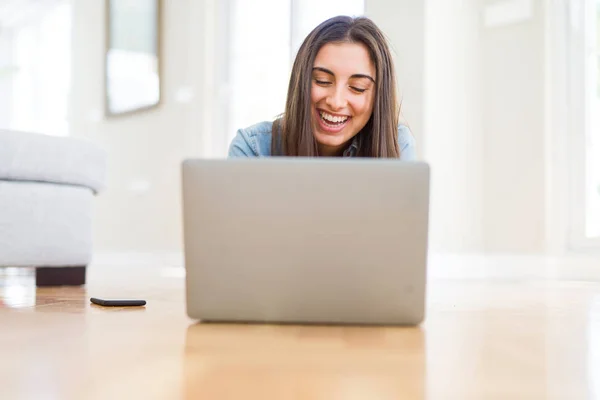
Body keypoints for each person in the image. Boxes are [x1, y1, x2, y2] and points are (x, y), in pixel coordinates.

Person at [228, 15, 416, 159]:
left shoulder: (396, 144)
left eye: (358, 87)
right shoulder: (254, 149)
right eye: (322, 81)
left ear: (377, 97)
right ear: (300, 82)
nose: (336, 102)